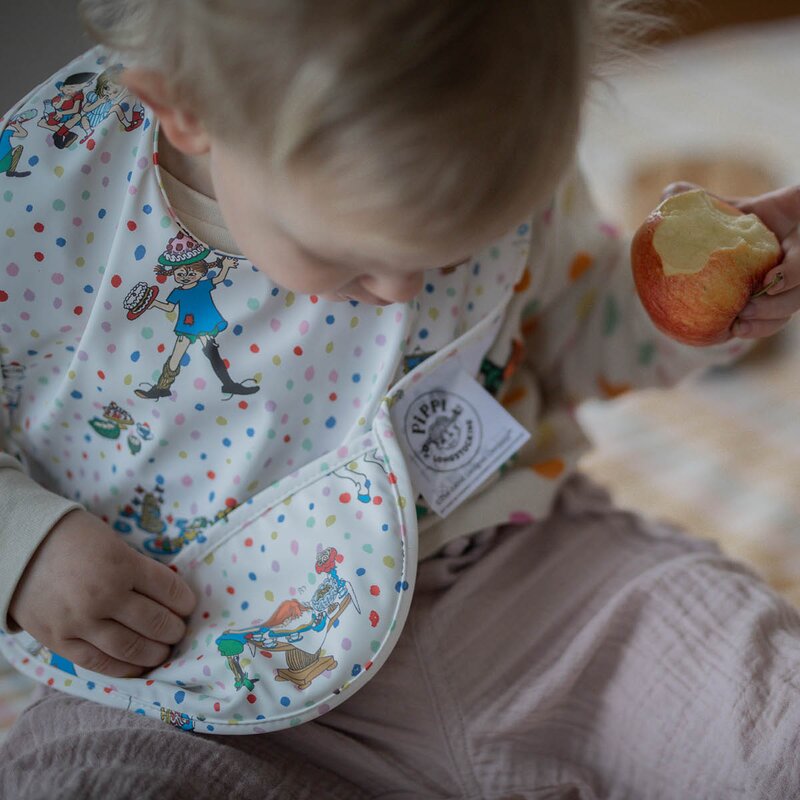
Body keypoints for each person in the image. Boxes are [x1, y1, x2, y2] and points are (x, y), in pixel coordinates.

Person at [1, 1, 800, 797]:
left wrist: (704, 304)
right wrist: (25, 544)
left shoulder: (493, 136)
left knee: (771, 715)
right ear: (187, 111)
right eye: (345, 257)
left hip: (516, 579)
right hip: (192, 666)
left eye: (458, 251)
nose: (402, 292)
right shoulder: (46, 184)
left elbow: (570, 338)